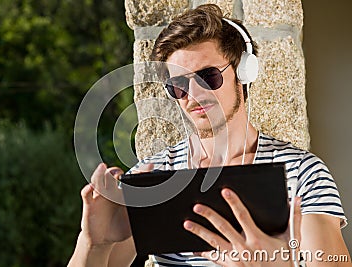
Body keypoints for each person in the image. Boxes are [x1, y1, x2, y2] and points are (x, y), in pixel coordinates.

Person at [68, 4, 351, 267]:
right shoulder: (155, 175)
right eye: (178, 85)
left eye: (208, 76)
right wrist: (94, 243)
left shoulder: (303, 174)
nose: (193, 94)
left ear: (243, 71)